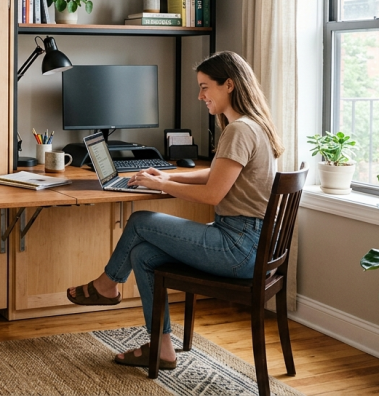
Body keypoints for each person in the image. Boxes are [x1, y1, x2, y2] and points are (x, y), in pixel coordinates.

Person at [65, 51, 284, 370]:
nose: (200, 96)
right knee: (142, 255)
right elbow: (216, 174)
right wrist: (169, 176)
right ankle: (162, 347)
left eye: (205, 87)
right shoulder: (253, 126)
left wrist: (161, 186)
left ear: (230, 86)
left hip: (238, 248)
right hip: (252, 246)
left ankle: (106, 285)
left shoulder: (239, 130)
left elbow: (212, 194)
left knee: (140, 221)